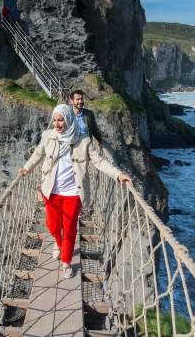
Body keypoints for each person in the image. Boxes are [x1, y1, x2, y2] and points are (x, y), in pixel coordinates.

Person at [18, 104, 131, 278]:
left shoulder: (83, 140)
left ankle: (66, 261)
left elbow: (99, 161)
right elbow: (38, 154)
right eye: (54, 120)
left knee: (69, 228)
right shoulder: (48, 136)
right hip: (51, 190)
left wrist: (118, 175)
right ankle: (59, 243)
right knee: (53, 226)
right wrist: (26, 168)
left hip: (73, 193)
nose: (57, 124)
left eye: (60, 119)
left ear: (69, 119)